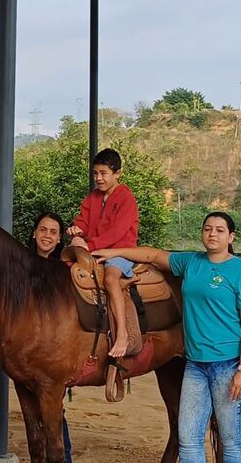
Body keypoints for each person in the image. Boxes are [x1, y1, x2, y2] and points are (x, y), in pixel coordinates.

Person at [93, 212, 241, 463]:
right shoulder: (191, 262)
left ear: (231, 236)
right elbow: (152, 255)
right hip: (195, 366)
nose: (212, 234)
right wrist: (113, 253)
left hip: (229, 365)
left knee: (232, 441)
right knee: (189, 440)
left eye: (219, 230)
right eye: (207, 229)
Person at [67, 147, 139, 358]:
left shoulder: (126, 198)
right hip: (96, 249)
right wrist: (77, 230)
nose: (98, 178)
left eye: (103, 173)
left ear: (117, 173)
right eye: (96, 173)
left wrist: (90, 245)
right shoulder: (93, 197)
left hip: (120, 250)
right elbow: (84, 220)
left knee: (110, 278)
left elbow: (118, 232)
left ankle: (123, 335)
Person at [27, 211, 74, 463]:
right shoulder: (20, 266)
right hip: (28, 349)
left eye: (53, 232)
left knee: (52, 407)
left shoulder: (62, 271)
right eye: (43, 230)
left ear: (58, 241)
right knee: (44, 407)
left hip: (52, 351)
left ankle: (64, 457)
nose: (47, 236)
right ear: (34, 233)